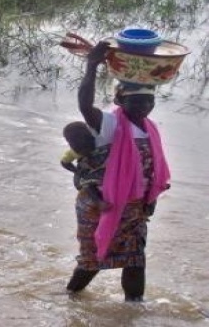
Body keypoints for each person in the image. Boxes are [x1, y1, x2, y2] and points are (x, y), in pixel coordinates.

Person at [66, 41, 171, 302]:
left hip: (134, 208)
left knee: (136, 260)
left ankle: (134, 311)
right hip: (101, 206)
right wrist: (91, 66)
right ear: (119, 100)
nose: (144, 106)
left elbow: (152, 171)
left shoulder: (150, 129)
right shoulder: (110, 124)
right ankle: (70, 298)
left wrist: (151, 201)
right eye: (136, 101)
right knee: (92, 262)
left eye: (149, 100)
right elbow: (84, 106)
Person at [60, 121, 108, 211]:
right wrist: (76, 171)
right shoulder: (73, 152)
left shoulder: (99, 142)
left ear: (91, 137)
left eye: (85, 147)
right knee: (87, 185)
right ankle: (98, 202)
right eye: (79, 149)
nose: (83, 151)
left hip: (96, 171)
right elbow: (64, 162)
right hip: (83, 177)